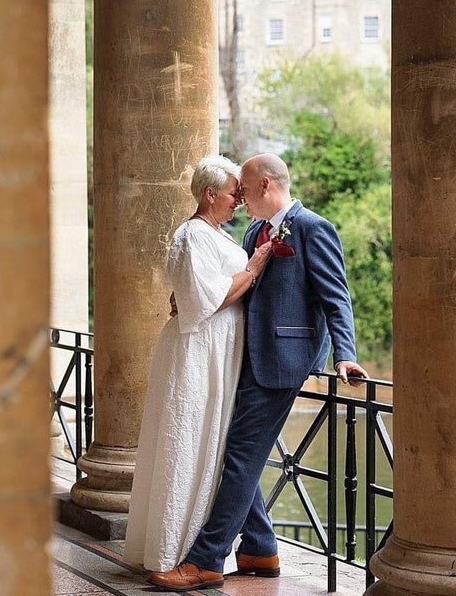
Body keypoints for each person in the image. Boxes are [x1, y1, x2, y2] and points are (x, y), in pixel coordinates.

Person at [148, 153, 368, 591]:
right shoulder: (252, 231)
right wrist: (188, 298)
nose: (241, 199)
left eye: (244, 191)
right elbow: (234, 283)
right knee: (234, 451)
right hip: (244, 356)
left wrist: (345, 354)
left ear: (265, 185)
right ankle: (260, 549)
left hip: (284, 362)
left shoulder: (313, 228)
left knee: (240, 457)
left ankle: (206, 560)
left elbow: (336, 298)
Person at [123, 156, 272, 572]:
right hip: (198, 350)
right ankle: (177, 549)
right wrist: (254, 266)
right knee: (191, 435)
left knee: (219, 439)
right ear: (210, 194)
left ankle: (256, 543)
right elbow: (208, 300)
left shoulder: (214, 234)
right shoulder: (193, 234)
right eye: (232, 194)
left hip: (217, 347)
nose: (238, 202)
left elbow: (196, 293)